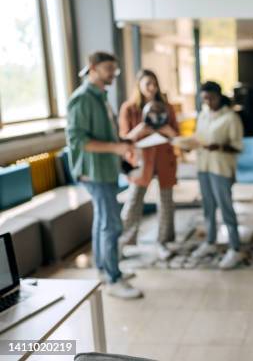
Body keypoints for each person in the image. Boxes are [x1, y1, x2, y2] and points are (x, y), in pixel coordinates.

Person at [66, 51, 143, 300]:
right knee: (112, 224)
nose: (113, 74)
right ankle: (113, 279)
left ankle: (104, 270)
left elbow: (105, 136)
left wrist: (123, 144)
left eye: (114, 69)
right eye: (109, 68)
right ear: (93, 68)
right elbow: (79, 142)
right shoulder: (82, 99)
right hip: (94, 172)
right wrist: (116, 148)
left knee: (102, 220)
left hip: (106, 169)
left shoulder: (101, 97)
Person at [118, 69, 179, 260]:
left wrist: (167, 129)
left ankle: (162, 242)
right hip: (140, 160)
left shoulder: (166, 108)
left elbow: (177, 137)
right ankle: (122, 242)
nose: (152, 88)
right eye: (147, 84)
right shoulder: (129, 109)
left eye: (154, 84)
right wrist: (140, 129)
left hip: (164, 160)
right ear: (139, 86)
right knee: (133, 202)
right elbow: (124, 138)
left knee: (166, 203)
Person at [190, 81, 245, 269]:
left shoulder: (231, 118)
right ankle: (210, 242)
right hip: (203, 166)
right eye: (204, 99)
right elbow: (198, 138)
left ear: (219, 96)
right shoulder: (203, 115)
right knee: (208, 207)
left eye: (210, 98)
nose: (207, 102)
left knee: (225, 207)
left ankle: (235, 248)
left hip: (221, 168)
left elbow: (238, 146)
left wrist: (219, 146)